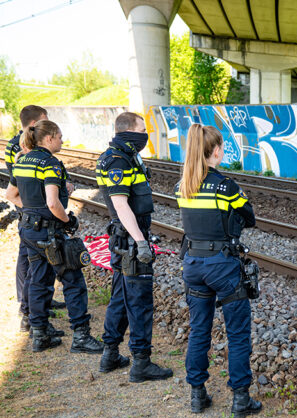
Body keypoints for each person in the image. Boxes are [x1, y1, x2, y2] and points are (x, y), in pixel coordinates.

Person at [175, 124, 262, 418]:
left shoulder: (183, 186)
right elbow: (249, 217)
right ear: (215, 151)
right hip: (223, 267)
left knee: (199, 330)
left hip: (193, 266)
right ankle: (241, 399)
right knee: (237, 333)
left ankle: (198, 395)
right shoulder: (226, 186)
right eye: (222, 147)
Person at [6, 121, 102, 353]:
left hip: (28, 230)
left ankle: (40, 334)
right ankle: (81, 336)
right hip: (49, 232)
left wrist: (30, 211)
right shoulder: (50, 164)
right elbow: (52, 202)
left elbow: (11, 194)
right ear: (48, 139)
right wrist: (67, 221)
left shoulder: (22, 161)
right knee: (73, 280)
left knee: (38, 279)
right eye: (59, 137)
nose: (62, 140)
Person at [96, 112, 172, 381]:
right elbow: (120, 204)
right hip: (129, 242)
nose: (145, 134)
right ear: (128, 131)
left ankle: (110, 354)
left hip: (123, 239)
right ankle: (141, 362)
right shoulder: (118, 160)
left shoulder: (126, 155)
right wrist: (141, 241)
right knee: (139, 301)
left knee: (119, 297)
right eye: (141, 129)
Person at [4, 105, 66, 333]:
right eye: (43, 122)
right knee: (30, 263)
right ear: (34, 126)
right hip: (32, 214)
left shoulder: (26, 151)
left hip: (31, 212)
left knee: (38, 268)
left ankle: (38, 308)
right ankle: (27, 310)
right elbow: (18, 186)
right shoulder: (18, 150)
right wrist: (34, 209)